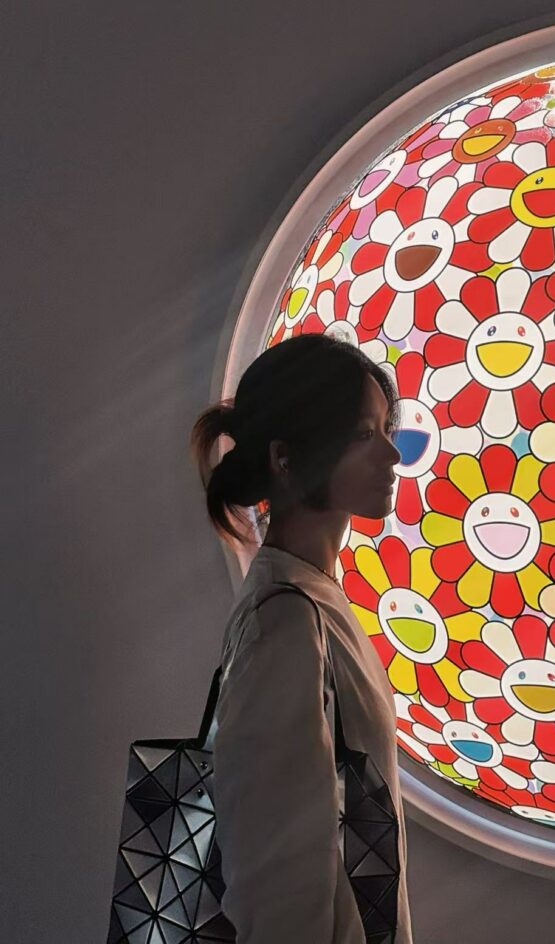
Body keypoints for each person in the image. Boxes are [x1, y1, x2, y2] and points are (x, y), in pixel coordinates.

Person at [190, 332, 413, 944]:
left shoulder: (313, 597)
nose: (392, 454)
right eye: (363, 435)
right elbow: (278, 886)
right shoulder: (286, 620)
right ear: (286, 458)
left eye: (386, 429)